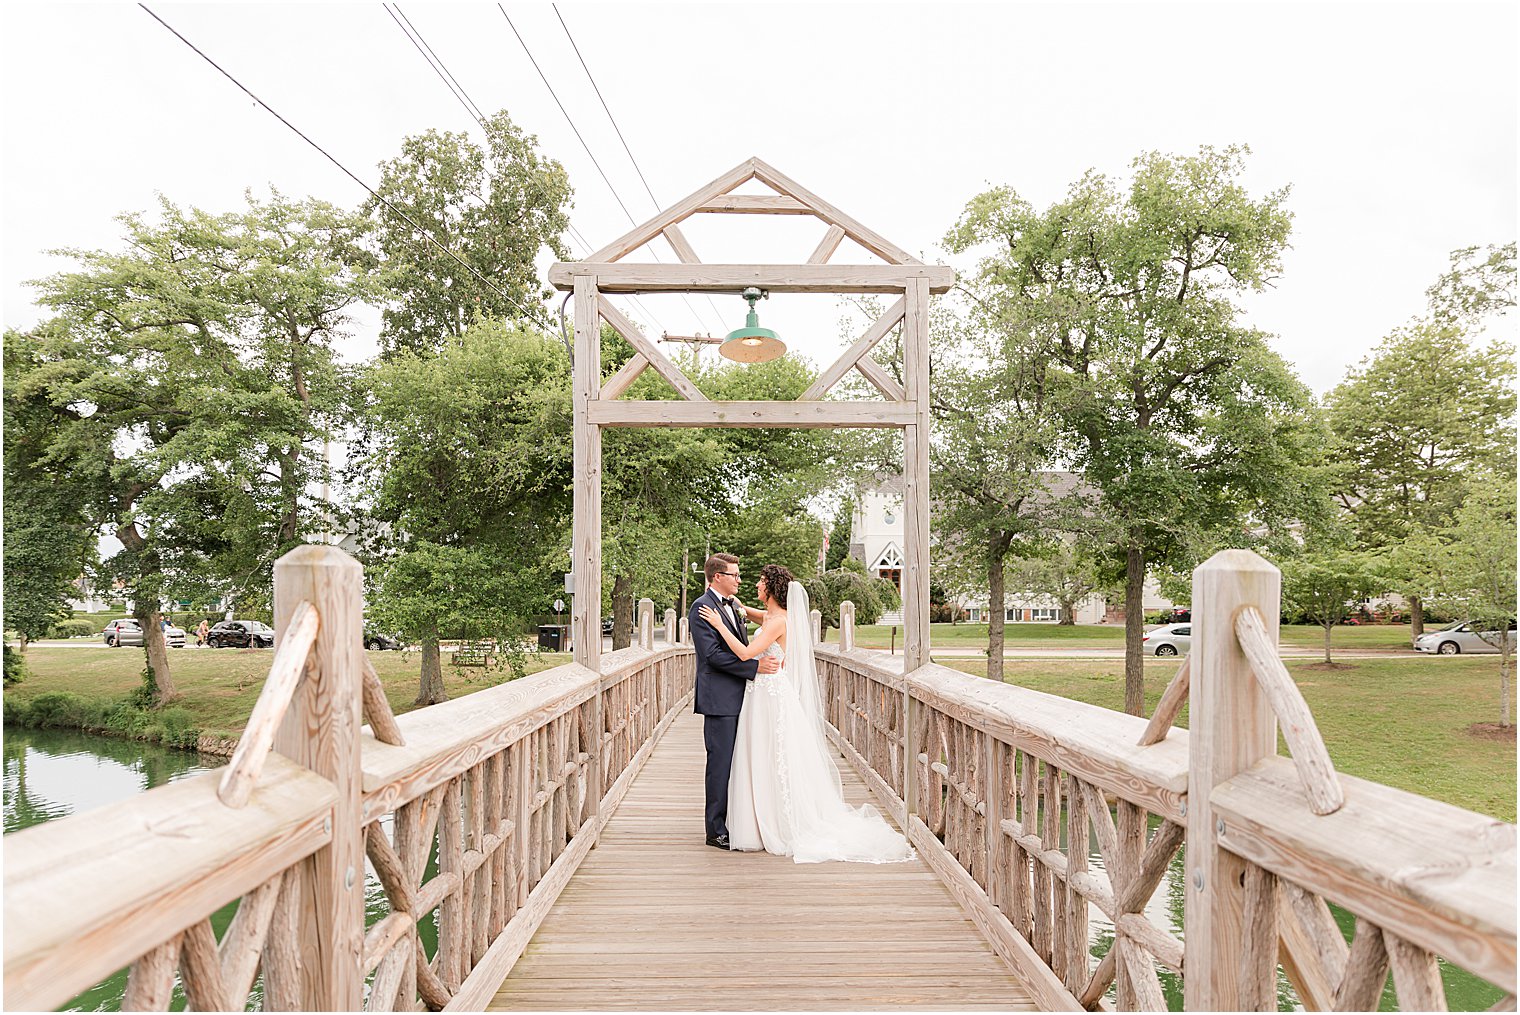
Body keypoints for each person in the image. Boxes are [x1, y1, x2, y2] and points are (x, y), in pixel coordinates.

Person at [698, 563, 914, 864]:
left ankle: (774, 821)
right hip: (762, 693)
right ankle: (760, 817)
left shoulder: (777, 622)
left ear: (771, 588)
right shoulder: (772, 616)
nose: (755, 584)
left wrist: (721, 625)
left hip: (769, 694)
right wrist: (736, 607)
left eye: (761, 582)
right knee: (763, 755)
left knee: (770, 755)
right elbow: (751, 613)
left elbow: (747, 654)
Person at [688, 553, 781, 850]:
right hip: (720, 699)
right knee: (721, 764)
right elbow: (712, 655)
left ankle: (742, 822)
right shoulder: (701, 608)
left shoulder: (733, 606)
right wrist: (753, 668)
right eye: (735, 575)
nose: (739, 580)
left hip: (746, 696)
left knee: (742, 762)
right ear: (718, 577)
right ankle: (715, 830)